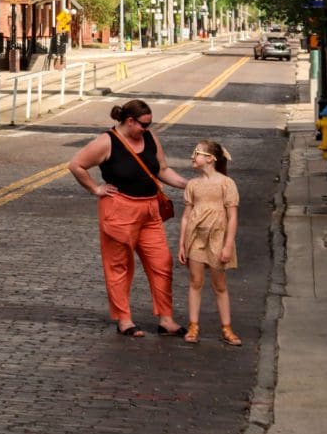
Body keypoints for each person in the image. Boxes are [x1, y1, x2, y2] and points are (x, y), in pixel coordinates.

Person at [67, 99, 188, 338]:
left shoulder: (151, 138)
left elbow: (161, 169)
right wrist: (95, 189)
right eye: (144, 124)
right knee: (119, 266)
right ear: (130, 121)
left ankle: (166, 320)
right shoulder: (107, 141)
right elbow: (76, 165)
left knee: (162, 263)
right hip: (119, 210)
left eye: (150, 123)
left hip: (150, 210)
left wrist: (187, 185)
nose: (148, 127)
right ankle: (124, 320)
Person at [177, 139, 241, 346]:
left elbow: (232, 216)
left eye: (196, 153)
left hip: (217, 238)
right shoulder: (193, 185)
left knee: (219, 285)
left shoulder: (226, 183)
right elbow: (186, 216)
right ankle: (193, 326)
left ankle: (227, 328)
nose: (192, 157)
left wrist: (228, 244)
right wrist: (181, 243)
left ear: (210, 159)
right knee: (195, 282)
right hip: (195, 238)